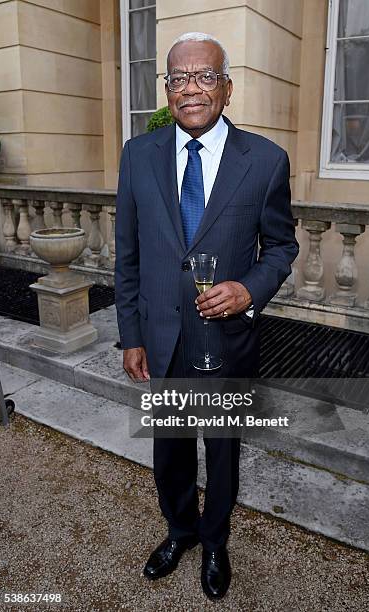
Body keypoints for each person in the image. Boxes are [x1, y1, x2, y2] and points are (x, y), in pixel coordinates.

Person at [115, 32, 299, 600]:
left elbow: (283, 248)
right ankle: (180, 530)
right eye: (178, 78)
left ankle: (215, 540)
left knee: (222, 450)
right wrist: (131, 334)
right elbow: (129, 254)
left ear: (227, 87)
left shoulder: (266, 160)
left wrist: (249, 289)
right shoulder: (137, 155)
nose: (190, 88)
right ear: (167, 89)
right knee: (169, 448)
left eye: (203, 76)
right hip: (163, 338)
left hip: (227, 340)